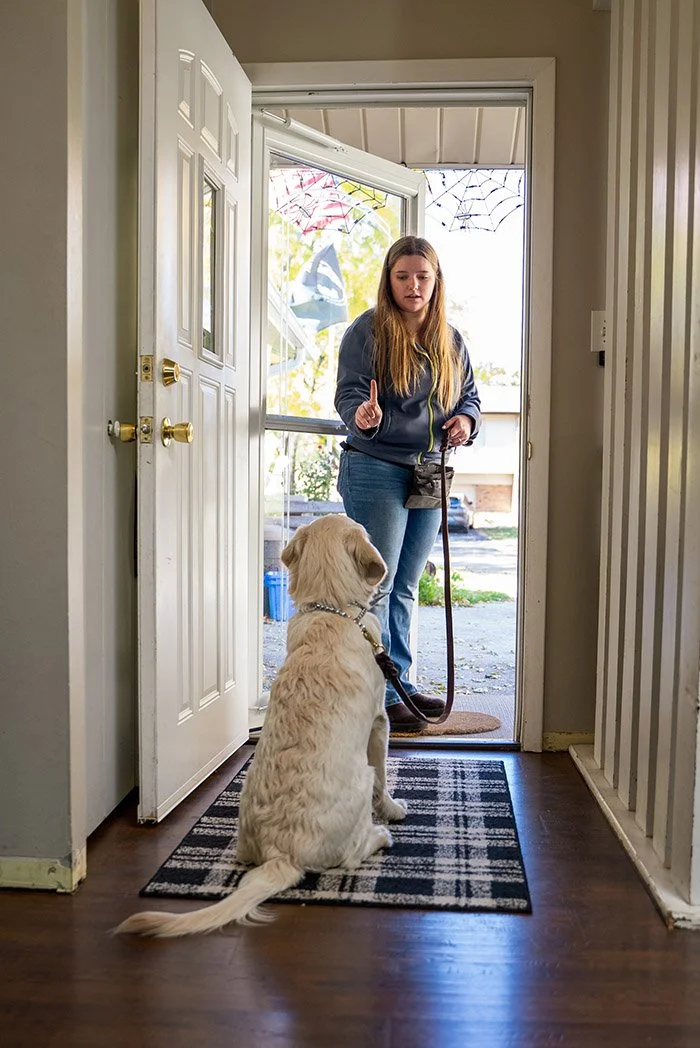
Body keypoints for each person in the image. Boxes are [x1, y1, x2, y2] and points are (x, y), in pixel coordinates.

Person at [334, 236, 481, 733]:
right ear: (389, 280)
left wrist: (466, 419)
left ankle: (400, 686)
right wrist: (362, 413)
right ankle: (371, 695)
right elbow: (350, 394)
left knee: (406, 587)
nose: (413, 286)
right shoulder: (368, 332)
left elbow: (470, 396)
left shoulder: (450, 340)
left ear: (436, 282)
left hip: (430, 471)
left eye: (422, 277)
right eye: (403, 277)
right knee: (377, 584)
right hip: (376, 467)